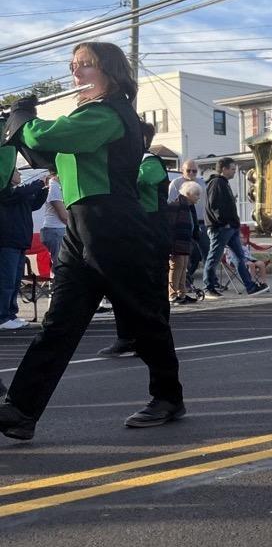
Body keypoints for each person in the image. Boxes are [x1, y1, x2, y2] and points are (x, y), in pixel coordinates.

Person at [0, 41, 185, 441]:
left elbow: (46, 135)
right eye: (73, 65)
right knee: (59, 322)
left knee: (144, 318)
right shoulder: (87, 115)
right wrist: (18, 125)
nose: (75, 73)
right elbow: (43, 152)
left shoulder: (108, 113)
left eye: (84, 65)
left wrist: (23, 118)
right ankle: (20, 411)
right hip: (82, 227)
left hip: (115, 224)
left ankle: (168, 397)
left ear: (110, 72)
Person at [100, 121, 172, 358]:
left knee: (153, 286)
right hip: (128, 230)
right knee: (122, 285)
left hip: (151, 233)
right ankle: (126, 337)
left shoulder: (150, 161)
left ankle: (154, 337)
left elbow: (141, 181)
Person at [203, 157, 269, 298]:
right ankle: (208, 287)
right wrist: (223, 222)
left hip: (231, 227)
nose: (234, 172)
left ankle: (250, 287)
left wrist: (233, 224)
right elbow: (214, 205)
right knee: (214, 257)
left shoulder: (223, 183)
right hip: (221, 228)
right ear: (224, 169)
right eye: (232, 169)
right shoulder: (217, 183)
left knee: (240, 257)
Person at [0, 162, 48, 330]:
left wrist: (45, 189)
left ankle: (10, 314)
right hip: (7, 242)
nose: (20, 175)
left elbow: (34, 204)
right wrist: (39, 182)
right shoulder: (6, 192)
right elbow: (23, 193)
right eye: (16, 172)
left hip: (19, 242)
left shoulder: (19, 194)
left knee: (14, 281)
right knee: (6, 282)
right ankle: (2, 316)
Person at [169, 160, 209, 292]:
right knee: (178, 262)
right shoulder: (176, 184)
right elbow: (171, 207)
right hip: (181, 229)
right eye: (188, 170)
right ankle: (175, 290)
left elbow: (205, 204)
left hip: (197, 224)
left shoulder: (201, 183)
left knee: (194, 257)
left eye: (194, 171)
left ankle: (184, 286)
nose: (191, 173)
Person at [167, 181, 201, 304]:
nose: (198, 197)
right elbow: (169, 226)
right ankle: (172, 294)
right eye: (196, 194)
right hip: (176, 242)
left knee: (183, 267)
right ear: (188, 193)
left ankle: (182, 293)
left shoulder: (189, 208)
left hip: (186, 241)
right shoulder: (175, 206)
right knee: (176, 266)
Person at [39, 173, 67, 264]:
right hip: (56, 230)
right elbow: (63, 216)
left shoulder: (59, 185)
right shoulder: (54, 185)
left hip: (57, 229)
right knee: (61, 264)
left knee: (61, 264)